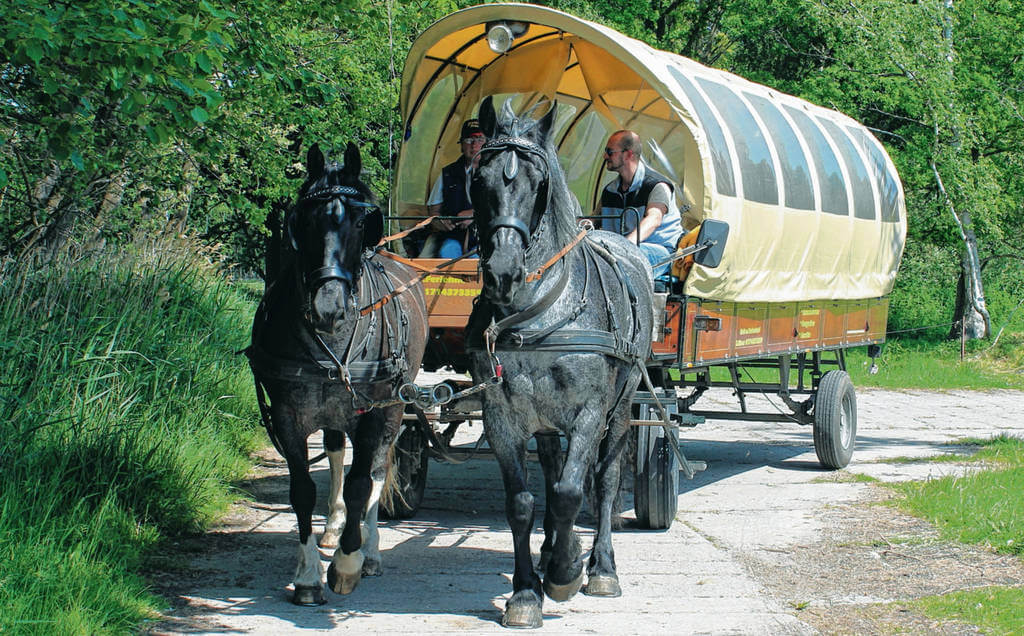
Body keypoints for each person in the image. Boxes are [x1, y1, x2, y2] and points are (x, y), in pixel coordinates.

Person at [597, 130, 683, 277]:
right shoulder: (610, 190)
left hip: (660, 251)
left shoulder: (656, 186)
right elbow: (593, 219)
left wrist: (625, 245)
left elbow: (653, 219)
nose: (605, 156)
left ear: (628, 154)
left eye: (609, 152)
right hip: (618, 249)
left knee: (627, 258)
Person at [420, 119, 487, 259]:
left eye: (480, 139)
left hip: (485, 238)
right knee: (447, 252)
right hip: (453, 237)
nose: (474, 145)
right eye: (469, 139)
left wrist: (474, 215)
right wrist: (441, 223)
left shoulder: (495, 174)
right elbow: (433, 214)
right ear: (461, 145)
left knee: (477, 261)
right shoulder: (447, 174)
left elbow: (503, 209)